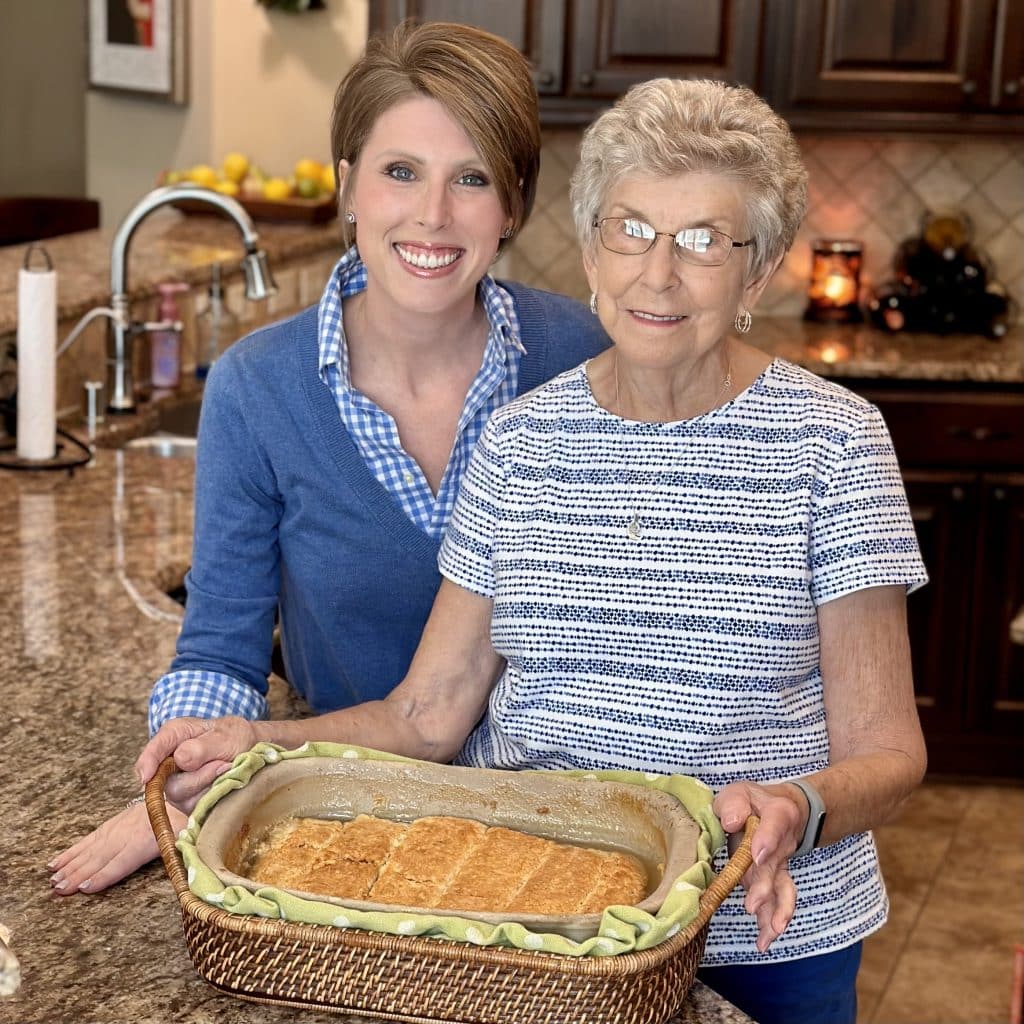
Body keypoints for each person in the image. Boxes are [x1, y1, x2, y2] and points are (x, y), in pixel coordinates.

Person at [80, 75, 930, 1024]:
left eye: (702, 242)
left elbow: (891, 752)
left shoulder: (835, 442)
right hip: (534, 922)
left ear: (758, 270)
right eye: (630, 230)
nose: (659, 273)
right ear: (593, 251)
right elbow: (428, 713)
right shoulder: (520, 441)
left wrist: (798, 808)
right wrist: (254, 742)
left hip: (763, 931)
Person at [48, 21, 608, 896]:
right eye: (399, 172)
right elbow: (222, 653)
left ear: (512, 205)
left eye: (471, 178)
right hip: (347, 817)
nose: (433, 215)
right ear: (348, 186)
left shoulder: (582, 356)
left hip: (565, 822)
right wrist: (190, 780)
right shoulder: (257, 389)